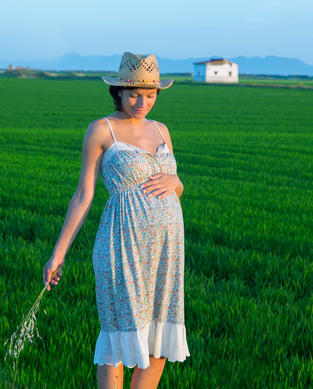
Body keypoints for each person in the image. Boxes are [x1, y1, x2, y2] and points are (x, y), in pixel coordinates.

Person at [42, 52, 190, 389]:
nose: (142, 102)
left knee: (159, 337)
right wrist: (58, 254)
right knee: (121, 335)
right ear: (118, 92)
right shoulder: (101, 129)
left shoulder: (162, 130)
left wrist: (177, 183)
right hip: (122, 245)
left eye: (150, 95)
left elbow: (172, 184)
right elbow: (83, 195)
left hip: (167, 249)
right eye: (135, 94)